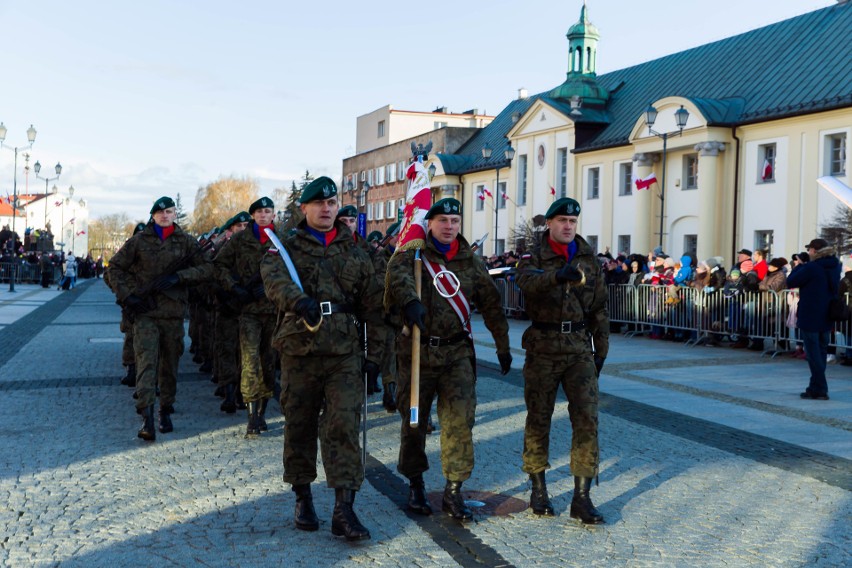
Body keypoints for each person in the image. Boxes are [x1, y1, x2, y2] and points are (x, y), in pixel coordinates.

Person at [260, 176, 384, 541]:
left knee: (344, 425)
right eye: (319, 204)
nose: (327, 209)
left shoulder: (357, 252)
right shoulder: (284, 249)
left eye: (332, 204)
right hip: (300, 349)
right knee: (299, 423)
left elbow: (374, 307)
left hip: (344, 352)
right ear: (305, 209)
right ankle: (302, 496)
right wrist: (299, 301)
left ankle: (344, 509)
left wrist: (375, 358)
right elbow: (274, 281)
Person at [385, 197, 512, 522]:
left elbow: (491, 304)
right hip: (418, 353)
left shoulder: (470, 261)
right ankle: (415, 484)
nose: (449, 227)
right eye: (443, 221)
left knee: (460, 424)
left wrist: (502, 345)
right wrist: (411, 301)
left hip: (456, 354)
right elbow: (396, 280)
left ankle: (454, 491)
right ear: (429, 223)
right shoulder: (413, 255)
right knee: (414, 423)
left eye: (455, 221)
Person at [515, 197, 609, 525]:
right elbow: (525, 282)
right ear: (550, 224)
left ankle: (581, 497)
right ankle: (538, 487)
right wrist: (556, 277)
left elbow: (599, 307)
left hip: (579, 348)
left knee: (587, 418)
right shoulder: (533, 255)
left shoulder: (588, 258)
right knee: (538, 418)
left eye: (573, 221)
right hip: (542, 347)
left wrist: (601, 350)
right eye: (562, 221)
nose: (568, 227)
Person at [108, 197, 212, 440]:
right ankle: (147, 417)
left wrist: (179, 278)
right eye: (161, 212)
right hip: (146, 313)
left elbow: (208, 269)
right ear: (153, 215)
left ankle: (165, 409)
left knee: (169, 366)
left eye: (170, 211)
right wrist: (129, 296)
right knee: (146, 363)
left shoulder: (186, 243)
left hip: (173, 314)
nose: (165, 216)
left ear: (175, 214)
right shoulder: (138, 242)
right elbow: (114, 268)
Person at [215, 198, 280, 436]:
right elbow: (219, 265)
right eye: (260, 211)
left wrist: (274, 286)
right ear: (253, 215)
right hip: (249, 310)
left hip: (274, 310)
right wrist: (234, 288)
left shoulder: (282, 240)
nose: (264, 215)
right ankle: (252, 415)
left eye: (268, 211)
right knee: (251, 361)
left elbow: (295, 270)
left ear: (273, 214)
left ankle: (262, 412)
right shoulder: (240, 239)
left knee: (269, 361)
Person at [786, 238, 840, 400]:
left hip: (811, 314)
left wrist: (798, 267)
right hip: (827, 314)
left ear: (815, 251)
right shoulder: (835, 266)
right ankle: (815, 387)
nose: (808, 253)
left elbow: (791, 281)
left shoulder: (812, 267)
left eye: (810, 250)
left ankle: (821, 388)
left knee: (813, 353)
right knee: (821, 351)